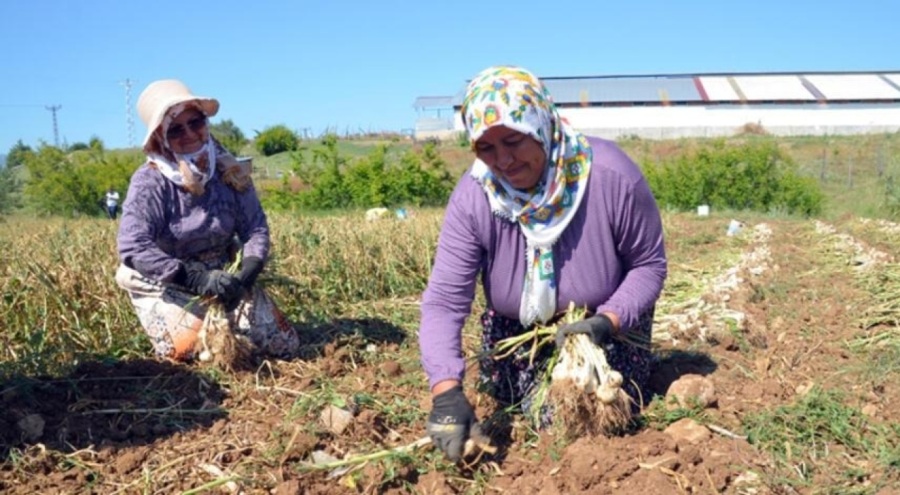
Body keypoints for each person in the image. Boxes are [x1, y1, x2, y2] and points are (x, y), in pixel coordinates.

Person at [419, 66, 667, 461]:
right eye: (485, 147)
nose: (503, 161)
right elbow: (445, 303)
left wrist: (607, 322)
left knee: (581, 415)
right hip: (516, 332)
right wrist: (446, 392)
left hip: (604, 332)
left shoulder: (610, 176)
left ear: (541, 124)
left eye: (513, 140)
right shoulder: (475, 196)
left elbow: (648, 266)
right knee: (519, 405)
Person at [115, 79, 300, 362]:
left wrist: (247, 272)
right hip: (169, 279)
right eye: (175, 129)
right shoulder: (150, 182)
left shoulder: (229, 170)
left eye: (196, 122)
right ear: (160, 137)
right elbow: (133, 246)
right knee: (193, 352)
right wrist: (193, 277)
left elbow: (255, 227)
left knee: (282, 344)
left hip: (223, 273)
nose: (189, 134)